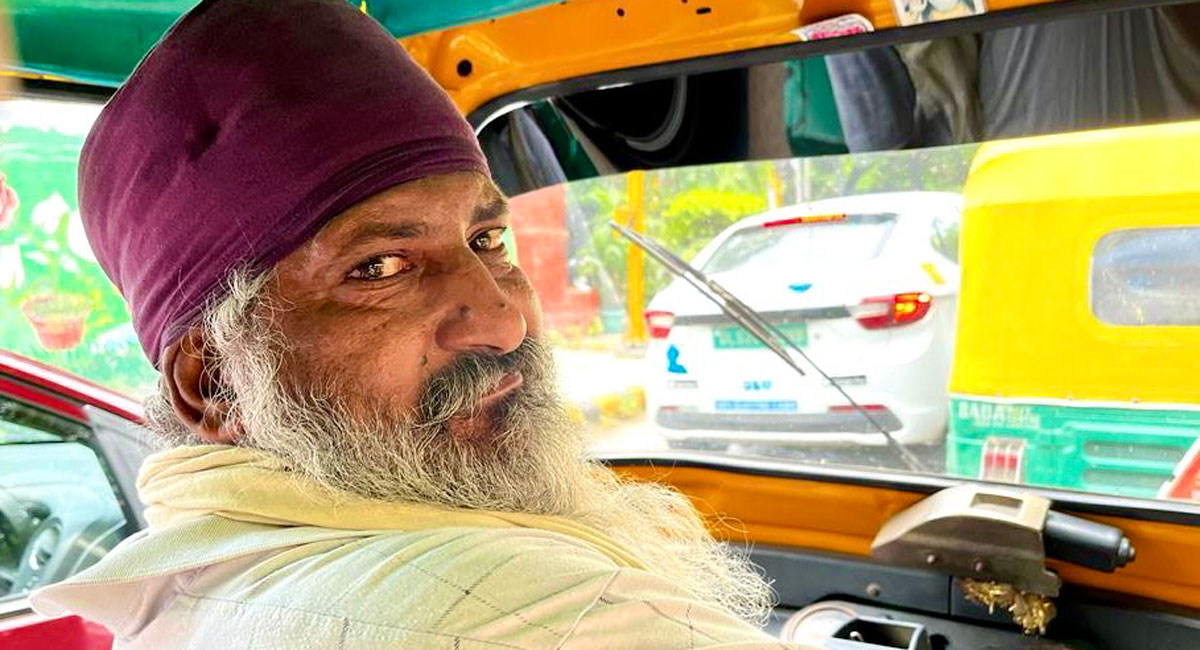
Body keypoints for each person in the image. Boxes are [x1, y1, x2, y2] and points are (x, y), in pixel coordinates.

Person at [30, 1, 804, 648]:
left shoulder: (189, 590)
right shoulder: (540, 614)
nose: (503, 320)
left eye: (487, 241)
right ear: (216, 383)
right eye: (379, 268)